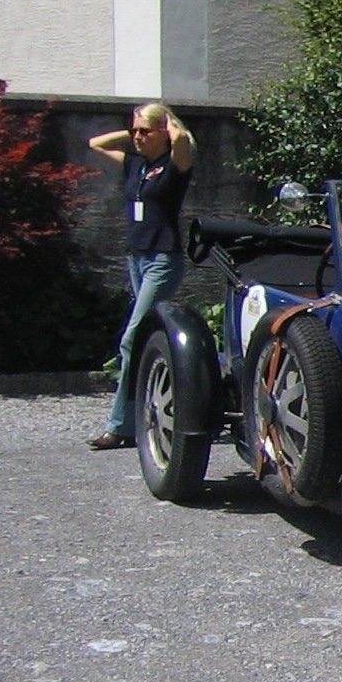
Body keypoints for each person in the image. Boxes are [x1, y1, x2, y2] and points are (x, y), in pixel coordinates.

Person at [86, 103, 196, 450]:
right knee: (145, 340)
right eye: (134, 131)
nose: (137, 137)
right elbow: (95, 144)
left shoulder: (174, 165)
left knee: (131, 339)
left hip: (162, 259)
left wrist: (169, 125)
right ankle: (152, 409)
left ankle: (120, 426)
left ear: (163, 132)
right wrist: (133, 130)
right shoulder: (136, 164)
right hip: (137, 257)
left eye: (145, 131)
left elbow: (183, 141)